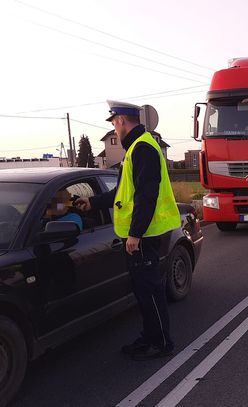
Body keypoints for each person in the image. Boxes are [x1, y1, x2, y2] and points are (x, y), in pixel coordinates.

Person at [75, 100, 181, 360]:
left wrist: (135, 234)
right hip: (141, 234)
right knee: (143, 291)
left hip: (144, 235)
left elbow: (146, 196)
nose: (114, 128)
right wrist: (93, 201)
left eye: (113, 123)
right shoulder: (136, 147)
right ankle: (150, 337)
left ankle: (161, 343)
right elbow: (123, 193)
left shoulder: (142, 147)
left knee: (150, 291)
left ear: (121, 120)